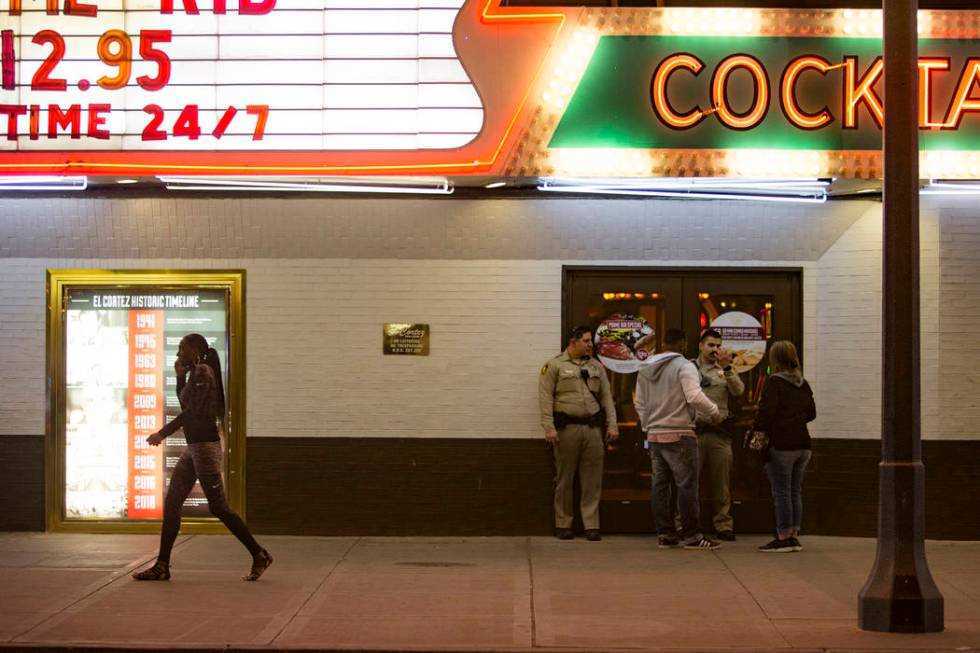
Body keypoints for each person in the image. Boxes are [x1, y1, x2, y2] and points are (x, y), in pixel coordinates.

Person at [132, 334, 272, 581]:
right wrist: (179, 377)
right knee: (173, 503)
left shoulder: (204, 373)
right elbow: (186, 403)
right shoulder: (196, 372)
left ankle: (259, 554)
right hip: (193, 448)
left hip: (205, 448)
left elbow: (191, 413)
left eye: (181, 349)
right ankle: (162, 565)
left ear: (194, 349)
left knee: (218, 508)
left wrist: (162, 433)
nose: (178, 354)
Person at [635, 328, 722, 550]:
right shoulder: (685, 366)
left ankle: (665, 534)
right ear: (683, 344)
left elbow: (640, 403)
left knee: (660, 486)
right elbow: (693, 396)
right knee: (687, 486)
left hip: (655, 434)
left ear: (664, 343)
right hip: (680, 434)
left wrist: (648, 426)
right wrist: (714, 412)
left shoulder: (645, 368)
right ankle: (692, 536)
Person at [538, 325, 618, 541]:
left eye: (590, 341)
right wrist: (549, 427)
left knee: (592, 479)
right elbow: (545, 399)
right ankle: (563, 523)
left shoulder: (596, 367)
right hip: (566, 430)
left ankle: (591, 524)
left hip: (592, 429)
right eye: (586, 341)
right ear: (573, 342)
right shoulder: (554, 366)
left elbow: (606, 398)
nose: (590, 345)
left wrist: (612, 425)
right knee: (565, 478)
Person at [752, 340, 816, 553]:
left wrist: (759, 430)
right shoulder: (803, 383)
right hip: (803, 445)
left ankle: (783, 536)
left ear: (774, 359)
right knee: (795, 491)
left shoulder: (775, 383)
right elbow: (812, 413)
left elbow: (766, 413)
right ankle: (794, 535)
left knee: (781, 491)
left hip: (781, 444)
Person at [692, 328, 745, 542]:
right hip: (693, 432)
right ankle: (687, 524)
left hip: (718, 433)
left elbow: (738, 391)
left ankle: (723, 524)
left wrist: (728, 368)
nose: (715, 349)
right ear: (700, 346)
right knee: (689, 482)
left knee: (721, 482)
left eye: (718, 346)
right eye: (710, 345)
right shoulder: (688, 368)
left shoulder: (724, 370)